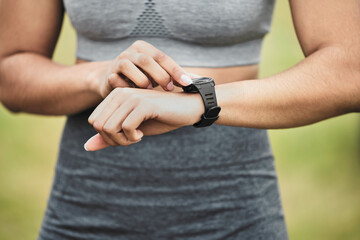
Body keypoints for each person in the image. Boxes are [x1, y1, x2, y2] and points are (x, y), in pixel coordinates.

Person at [0, 0, 359, 239]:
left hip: (234, 213)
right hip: (82, 212)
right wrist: (98, 77)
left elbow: (349, 71)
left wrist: (202, 102)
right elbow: (11, 70)